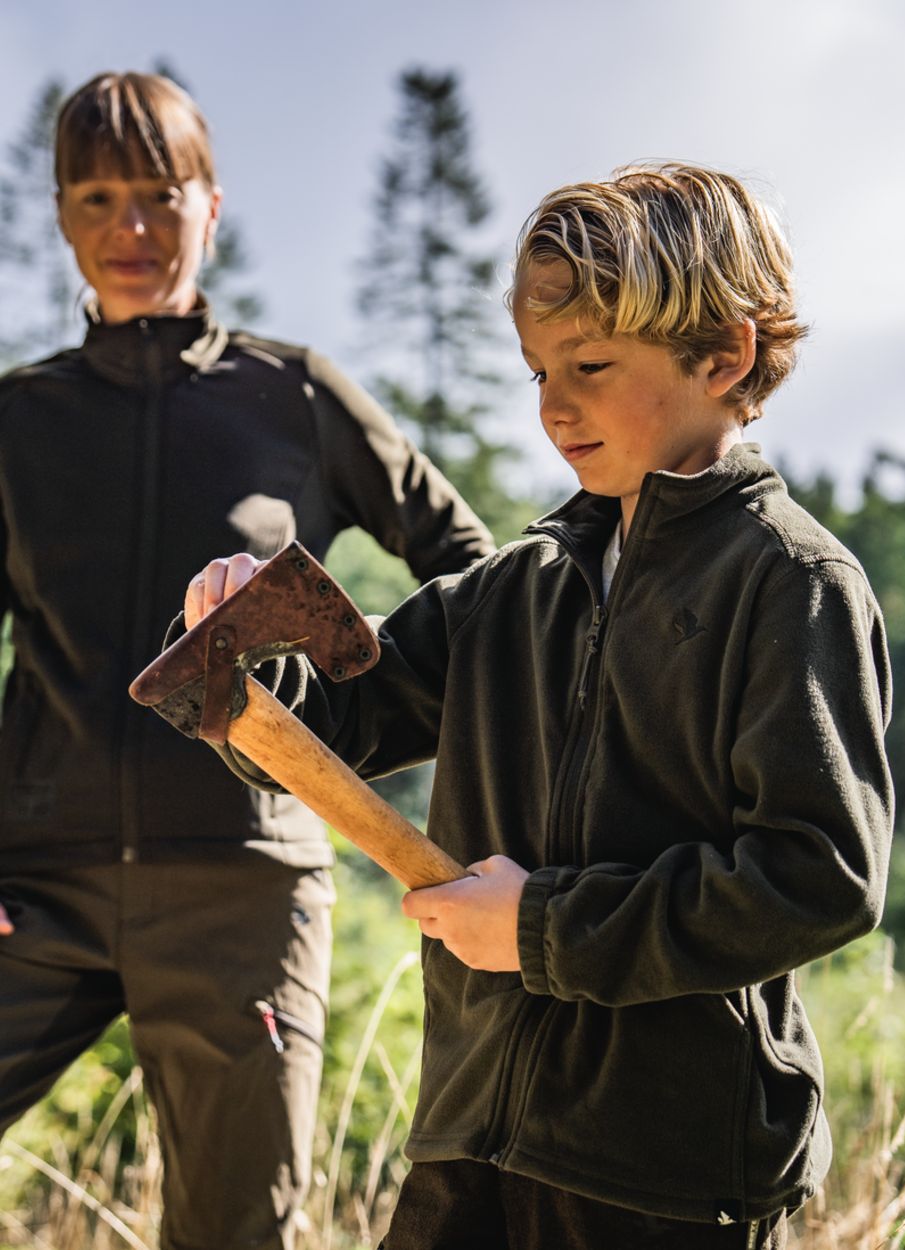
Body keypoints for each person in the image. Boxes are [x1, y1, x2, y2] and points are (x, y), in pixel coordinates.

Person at [187, 163, 894, 1250]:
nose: (553, 405)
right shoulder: (513, 588)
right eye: (535, 372)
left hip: (661, 1166)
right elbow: (333, 728)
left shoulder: (788, 583)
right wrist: (246, 659)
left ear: (725, 355)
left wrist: (542, 927)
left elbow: (817, 877)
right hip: (469, 1134)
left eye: (591, 364)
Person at [0, 71, 493, 1250]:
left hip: (244, 886)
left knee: (235, 1232)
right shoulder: (17, 421)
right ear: (62, 213)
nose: (131, 229)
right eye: (99, 197)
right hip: (35, 887)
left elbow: (478, 572)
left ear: (210, 205)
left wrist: (349, 704)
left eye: (160, 195)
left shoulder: (296, 395)